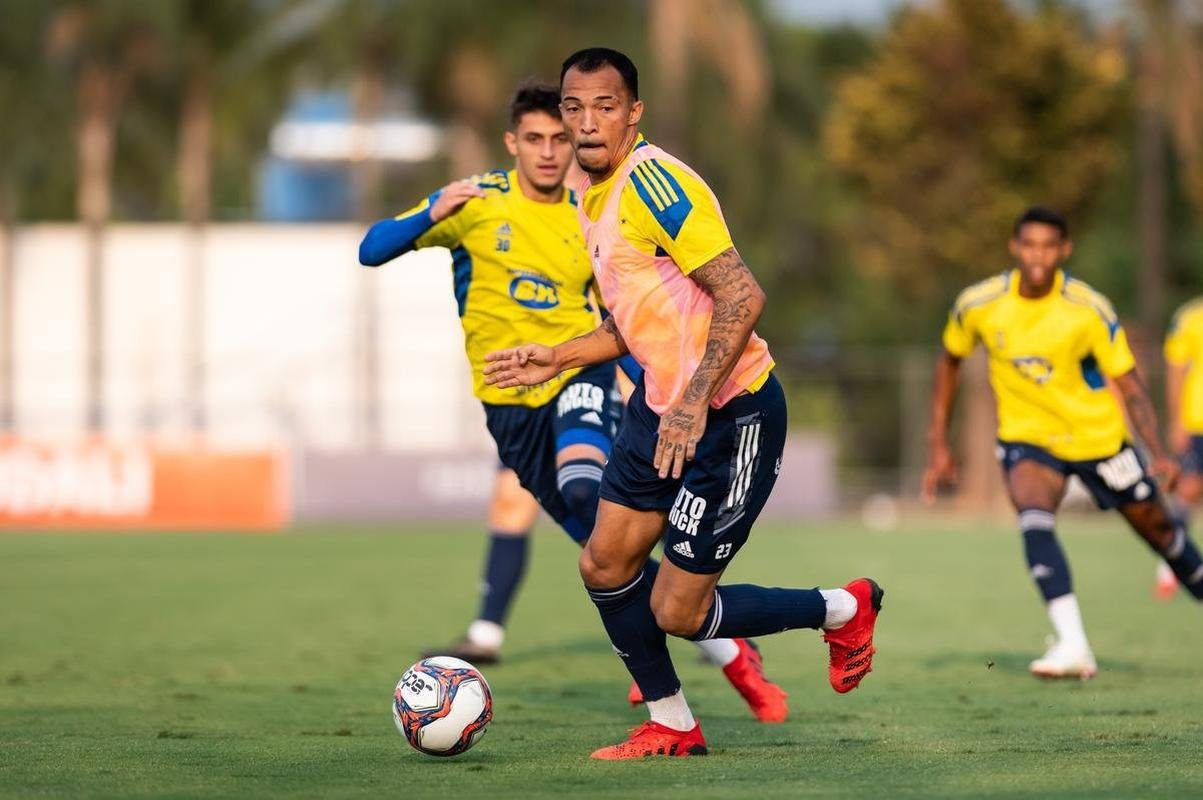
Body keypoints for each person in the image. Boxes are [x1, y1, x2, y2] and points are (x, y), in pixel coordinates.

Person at [484, 49, 883, 760]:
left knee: (679, 611)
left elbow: (742, 294)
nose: (586, 122)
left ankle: (844, 608)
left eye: (604, 106)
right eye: (573, 108)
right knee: (604, 565)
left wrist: (694, 402)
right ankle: (671, 724)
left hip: (733, 416)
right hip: (658, 412)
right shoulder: (591, 195)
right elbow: (634, 322)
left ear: (633, 112)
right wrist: (558, 354)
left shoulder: (656, 184)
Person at [358, 81, 786, 721]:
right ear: (513, 143)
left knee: (586, 484)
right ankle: (723, 644)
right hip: (508, 401)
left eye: (561, 138)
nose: (553, 151)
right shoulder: (476, 202)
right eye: (537, 138)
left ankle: (674, 634)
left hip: (577, 380)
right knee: (602, 553)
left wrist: (643, 379)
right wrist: (431, 211)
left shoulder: (592, 204)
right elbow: (371, 251)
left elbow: (638, 309)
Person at [922, 206, 1203, 680]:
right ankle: (1073, 644)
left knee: (1163, 535)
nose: (1038, 256)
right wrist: (939, 444)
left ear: (1064, 250)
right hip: (1028, 440)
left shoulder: (1087, 308)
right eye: (1029, 245)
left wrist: (1157, 452)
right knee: (1033, 516)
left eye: (1049, 246)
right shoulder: (979, 304)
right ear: (1015, 247)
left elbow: (1130, 384)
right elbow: (949, 361)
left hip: (1099, 439)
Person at [1158, 298, 1203, 599]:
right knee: (1188, 490)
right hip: (1197, 420)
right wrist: (1176, 421)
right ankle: (1170, 566)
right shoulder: (1190, 316)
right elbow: (1175, 370)